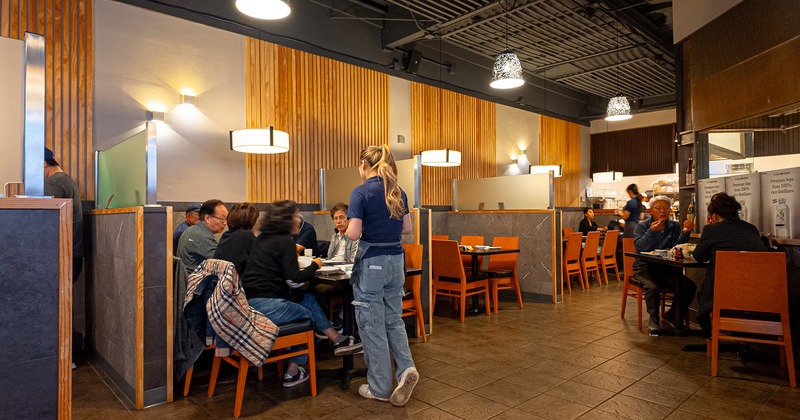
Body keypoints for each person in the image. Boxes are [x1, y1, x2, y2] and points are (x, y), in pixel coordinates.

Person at [242, 200, 362, 388]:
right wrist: (316, 265)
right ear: (286, 220)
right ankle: (293, 371)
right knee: (309, 317)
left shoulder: (263, 238)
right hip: (269, 305)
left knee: (307, 299)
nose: (300, 219)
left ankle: (339, 341)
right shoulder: (285, 242)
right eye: (296, 215)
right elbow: (294, 280)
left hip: (251, 302)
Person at [346, 145, 418, 406]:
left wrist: (350, 227)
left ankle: (379, 387)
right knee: (394, 321)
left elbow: (354, 233)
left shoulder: (361, 192)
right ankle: (406, 368)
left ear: (364, 165)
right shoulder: (398, 192)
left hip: (373, 264)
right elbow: (407, 229)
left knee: (372, 326)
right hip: (396, 262)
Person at [691, 192, 765, 338]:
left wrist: (708, 230)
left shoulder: (711, 229)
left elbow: (698, 257)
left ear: (713, 216)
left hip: (721, 294)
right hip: (758, 294)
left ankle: (711, 335)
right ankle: (743, 342)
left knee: (706, 289)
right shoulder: (751, 229)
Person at [633, 195, 697, 333]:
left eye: (666, 208)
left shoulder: (674, 226)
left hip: (665, 269)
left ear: (670, 210)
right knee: (653, 286)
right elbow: (639, 247)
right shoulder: (642, 226)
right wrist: (651, 232)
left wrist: (686, 232)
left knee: (689, 286)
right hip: (644, 268)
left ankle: (672, 315)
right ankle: (653, 317)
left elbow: (676, 247)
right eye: (658, 208)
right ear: (651, 211)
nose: (662, 211)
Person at [44, 147, 84, 283]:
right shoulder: (66, 180)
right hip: (73, 253)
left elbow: (43, 217)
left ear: (44, 163)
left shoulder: (54, 182)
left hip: (64, 254)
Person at [177, 199, 228, 276]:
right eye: (222, 219)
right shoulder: (201, 236)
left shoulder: (192, 230)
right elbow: (224, 261)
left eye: (226, 219)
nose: (225, 223)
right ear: (207, 218)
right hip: (197, 284)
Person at [213, 202, 259, 275]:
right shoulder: (246, 236)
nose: (257, 222)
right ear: (251, 221)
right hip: (237, 284)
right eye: (256, 219)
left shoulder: (226, 235)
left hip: (223, 283)